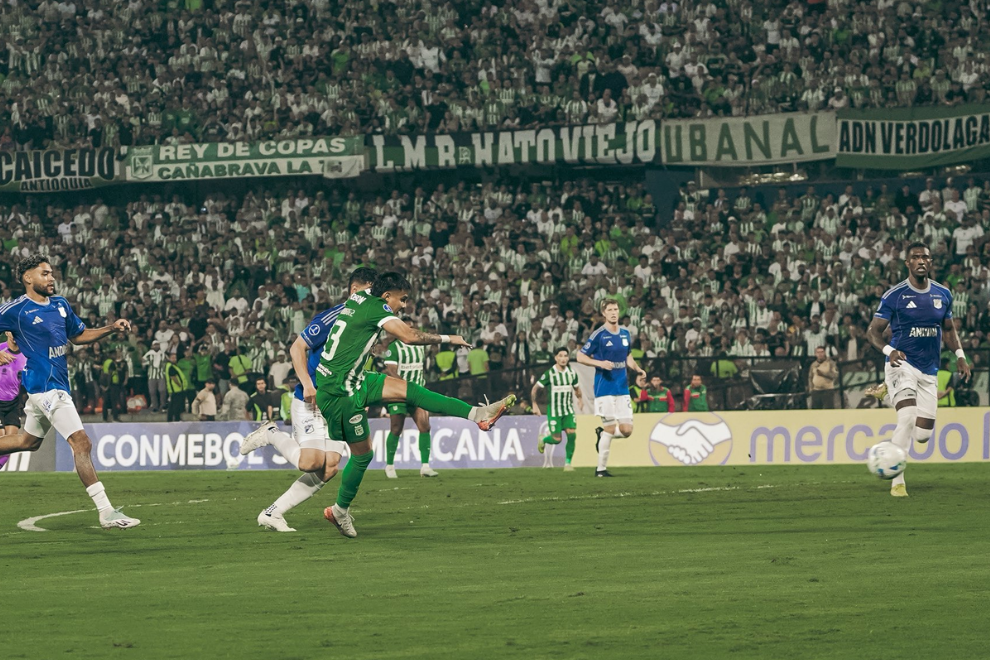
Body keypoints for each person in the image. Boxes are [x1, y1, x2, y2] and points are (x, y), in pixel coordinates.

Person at [316, 271, 515, 538]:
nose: (405, 305)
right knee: (363, 455)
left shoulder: (360, 297)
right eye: (403, 299)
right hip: (340, 393)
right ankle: (339, 511)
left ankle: (478, 414)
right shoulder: (378, 308)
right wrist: (449, 339)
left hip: (353, 379)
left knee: (412, 392)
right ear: (386, 296)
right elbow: (409, 337)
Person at [0, 255, 139, 528]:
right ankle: (106, 511)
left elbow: (78, 336)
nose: (51, 278)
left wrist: (111, 328)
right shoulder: (15, 310)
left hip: (54, 387)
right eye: (44, 273)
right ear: (28, 278)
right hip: (45, 388)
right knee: (81, 443)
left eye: (51, 273)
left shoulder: (61, 305)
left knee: (28, 442)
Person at [239, 267, 377, 532]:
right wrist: (306, 384)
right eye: (370, 292)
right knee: (310, 463)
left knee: (330, 467)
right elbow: (297, 347)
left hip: (340, 401)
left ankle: (273, 513)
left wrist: (360, 391)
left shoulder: (368, 322)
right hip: (312, 399)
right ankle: (271, 433)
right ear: (355, 291)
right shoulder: (334, 316)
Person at [866, 242, 970, 497]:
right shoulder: (895, 295)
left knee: (922, 435)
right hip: (902, 365)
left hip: (928, 370)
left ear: (930, 262)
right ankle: (897, 481)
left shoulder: (943, 294)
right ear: (908, 263)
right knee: (907, 417)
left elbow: (948, 329)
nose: (921, 260)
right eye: (916, 257)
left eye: (925, 257)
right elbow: (873, 332)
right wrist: (890, 352)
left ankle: (887, 394)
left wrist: (960, 355)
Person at [577, 299, 646, 477]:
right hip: (604, 388)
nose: (614, 312)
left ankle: (602, 434)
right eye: (610, 310)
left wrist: (637, 369)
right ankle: (600, 470)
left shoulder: (625, 333)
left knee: (626, 430)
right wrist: (598, 363)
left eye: (616, 309)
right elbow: (580, 356)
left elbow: (628, 356)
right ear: (604, 313)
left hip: (622, 387)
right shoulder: (598, 334)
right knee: (610, 428)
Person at [383, 320, 438, 478]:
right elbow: (391, 371)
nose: (411, 329)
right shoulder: (394, 347)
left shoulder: (420, 346)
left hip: (418, 393)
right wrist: (406, 386)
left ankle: (425, 466)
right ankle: (390, 465)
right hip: (399, 394)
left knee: (425, 426)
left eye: (413, 326)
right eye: (408, 327)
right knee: (396, 428)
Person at [530, 347, 584, 471]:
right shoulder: (550, 373)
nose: (563, 358)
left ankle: (568, 464)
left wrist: (580, 400)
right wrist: (534, 404)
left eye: (565, 356)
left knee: (572, 434)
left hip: (568, 410)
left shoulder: (572, 373)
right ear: (556, 358)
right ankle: (543, 439)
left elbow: (577, 389)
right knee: (556, 439)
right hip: (554, 411)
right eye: (560, 356)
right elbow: (535, 388)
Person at [0, 332, 28, 471]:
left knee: (10, 444)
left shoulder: (27, 355)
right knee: (1, 438)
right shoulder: (1, 349)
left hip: (12, 403)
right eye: (11, 331)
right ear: (6, 332)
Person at [142, 340, 167, 412]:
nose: (156, 346)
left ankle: (163, 405)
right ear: (152, 346)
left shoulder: (163, 354)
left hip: (161, 375)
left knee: (162, 390)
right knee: (152, 391)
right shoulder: (148, 354)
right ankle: (155, 406)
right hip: (151, 376)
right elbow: (143, 362)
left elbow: (166, 362)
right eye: (155, 345)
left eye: (157, 345)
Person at [164, 352, 189, 422]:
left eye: (175, 357)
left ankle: (171, 419)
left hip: (176, 389)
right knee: (175, 406)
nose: (174, 359)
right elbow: (173, 377)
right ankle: (176, 419)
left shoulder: (172, 365)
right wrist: (179, 384)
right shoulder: (171, 366)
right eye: (173, 358)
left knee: (172, 405)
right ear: (169, 358)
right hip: (176, 389)